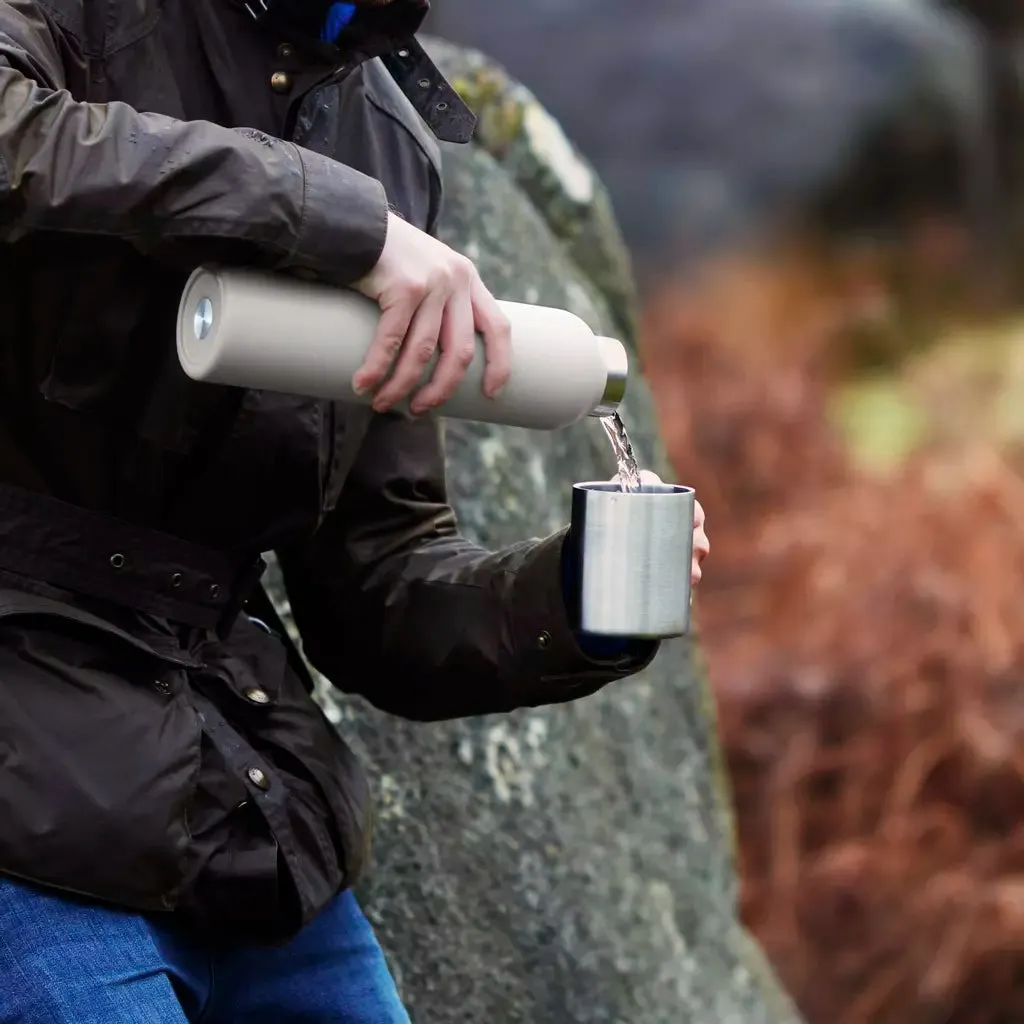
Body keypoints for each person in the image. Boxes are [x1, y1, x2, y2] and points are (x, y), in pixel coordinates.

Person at [0, 1, 711, 1021]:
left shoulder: (387, 139)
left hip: (232, 807)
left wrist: (576, 594)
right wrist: (341, 222)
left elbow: (377, 583)